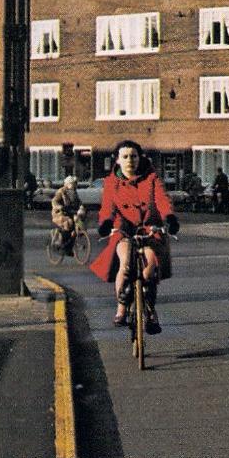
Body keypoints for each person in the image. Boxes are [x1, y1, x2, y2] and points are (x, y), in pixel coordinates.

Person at [89, 140, 179, 333]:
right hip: (123, 229)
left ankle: (151, 311)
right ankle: (121, 308)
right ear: (118, 160)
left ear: (140, 158)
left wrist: (169, 217)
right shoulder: (112, 183)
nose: (130, 160)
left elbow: (162, 200)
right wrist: (105, 223)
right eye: (125, 156)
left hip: (149, 229)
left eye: (134, 156)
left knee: (150, 269)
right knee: (126, 262)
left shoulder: (152, 178)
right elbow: (108, 208)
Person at [50, 176, 85, 253]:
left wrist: (81, 208)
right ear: (67, 184)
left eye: (75, 184)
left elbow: (79, 202)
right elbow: (54, 201)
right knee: (68, 223)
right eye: (73, 183)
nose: (75, 185)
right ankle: (62, 244)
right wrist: (59, 207)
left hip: (70, 212)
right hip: (59, 213)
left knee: (78, 224)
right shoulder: (61, 191)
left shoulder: (74, 193)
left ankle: (69, 247)